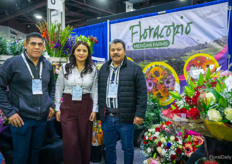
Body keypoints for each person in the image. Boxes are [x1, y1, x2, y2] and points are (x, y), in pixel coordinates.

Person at [0, 32, 55, 164]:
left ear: (43, 47)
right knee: (21, 156)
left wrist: (51, 104)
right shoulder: (12, 63)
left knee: (36, 154)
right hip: (21, 119)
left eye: (40, 44)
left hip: (41, 119)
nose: (37, 47)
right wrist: (10, 113)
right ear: (26, 45)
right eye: (33, 44)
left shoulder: (47, 65)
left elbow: (52, 86)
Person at [98, 39, 147, 164]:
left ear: (124, 51)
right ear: (109, 52)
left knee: (128, 148)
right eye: (113, 50)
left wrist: (139, 114)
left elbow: (142, 93)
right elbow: (99, 92)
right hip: (107, 117)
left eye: (119, 49)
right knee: (109, 148)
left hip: (125, 118)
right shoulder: (104, 69)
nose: (115, 52)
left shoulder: (135, 69)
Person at [55, 40, 98, 164]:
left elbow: (94, 90)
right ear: (74, 52)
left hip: (86, 106)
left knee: (84, 139)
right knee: (71, 141)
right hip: (68, 105)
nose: (81, 53)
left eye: (84, 50)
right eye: (78, 50)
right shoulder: (65, 68)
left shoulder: (92, 69)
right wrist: (57, 107)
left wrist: (95, 109)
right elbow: (58, 88)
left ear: (88, 53)